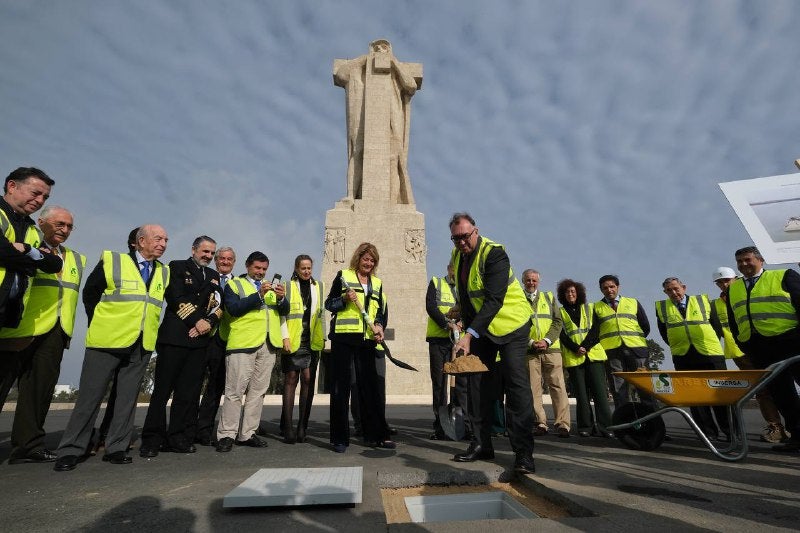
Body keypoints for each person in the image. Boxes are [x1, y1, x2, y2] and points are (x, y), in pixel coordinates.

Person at [54, 224, 170, 471]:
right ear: (140, 241)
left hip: (141, 344)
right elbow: (90, 293)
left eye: (166, 240)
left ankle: (116, 447)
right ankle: (72, 449)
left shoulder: (163, 271)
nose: (163, 243)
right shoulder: (113, 260)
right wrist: (102, 322)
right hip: (106, 340)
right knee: (90, 397)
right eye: (158, 238)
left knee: (127, 400)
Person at [448, 213, 535, 474]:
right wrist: (461, 315)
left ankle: (523, 454)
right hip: (483, 330)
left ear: (476, 231)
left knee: (516, 385)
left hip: (512, 326)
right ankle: (481, 444)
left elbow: (494, 300)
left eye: (465, 236)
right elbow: (466, 294)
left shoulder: (495, 254)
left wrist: (469, 334)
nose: (461, 242)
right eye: (456, 238)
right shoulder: (458, 256)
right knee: (478, 386)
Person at [0, 206, 84, 463]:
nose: (64, 230)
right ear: (41, 222)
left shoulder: (77, 259)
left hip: (57, 330)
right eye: (59, 224)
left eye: (69, 226)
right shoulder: (23, 245)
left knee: (40, 390)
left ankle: (29, 445)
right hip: (21, 324)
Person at [139, 236, 223, 457]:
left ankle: (177, 438)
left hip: (199, 341)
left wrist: (209, 322)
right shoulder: (176, 267)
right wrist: (197, 320)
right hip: (175, 337)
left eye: (211, 253)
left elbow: (219, 304)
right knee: (162, 391)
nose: (208, 256)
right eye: (205, 251)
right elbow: (175, 297)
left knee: (187, 394)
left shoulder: (214, 276)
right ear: (194, 249)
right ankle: (151, 439)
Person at [726, 246, 800, 452]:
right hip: (759, 347)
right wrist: (743, 343)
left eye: (747, 260)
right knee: (781, 393)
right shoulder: (734, 288)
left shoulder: (784, 275)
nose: (743, 264)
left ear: (761, 260)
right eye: (739, 261)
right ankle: (797, 435)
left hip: (791, 341)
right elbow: (734, 319)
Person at [215, 251, 287, 452]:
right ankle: (227, 434)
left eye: (264, 269)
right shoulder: (234, 285)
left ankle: (247, 433)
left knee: (258, 392)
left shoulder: (271, 288)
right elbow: (234, 309)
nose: (261, 272)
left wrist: (281, 299)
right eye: (257, 268)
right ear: (247, 266)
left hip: (268, 344)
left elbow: (284, 311)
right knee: (234, 391)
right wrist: (258, 296)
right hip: (242, 344)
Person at [325, 242, 393, 453]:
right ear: (358, 259)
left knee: (370, 389)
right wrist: (344, 298)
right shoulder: (343, 276)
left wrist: (380, 326)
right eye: (366, 259)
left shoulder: (378, 283)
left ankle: (375, 435)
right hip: (344, 338)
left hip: (367, 341)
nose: (369, 263)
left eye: (373, 261)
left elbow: (380, 311)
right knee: (340, 388)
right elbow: (329, 304)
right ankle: (339, 438)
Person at [711, 266, 788, 443]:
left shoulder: (747, 294)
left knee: (782, 385)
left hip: (763, 346)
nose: (723, 284)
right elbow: (717, 330)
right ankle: (775, 427)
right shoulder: (714, 305)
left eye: (726, 280)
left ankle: (793, 425)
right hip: (741, 354)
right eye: (719, 282)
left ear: (735, 279)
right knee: (761, 390)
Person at [656, 277, 730, 441]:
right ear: (665, 292)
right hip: (683, 356)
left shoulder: (703, 301)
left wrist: (707, 344)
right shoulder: (662, 307)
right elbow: (664, 332)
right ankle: (707, 433)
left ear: (683, 287)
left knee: (720, 394)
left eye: (676, 288)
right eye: (669, 290)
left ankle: (731, 432)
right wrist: (680, 344)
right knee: (695, 397)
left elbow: (716, 326)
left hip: (710, 354)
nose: (674, 292)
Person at [0, 167, 62, 329]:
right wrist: (33, 263)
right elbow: (3, 252)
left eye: (45, 197)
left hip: (7, 313)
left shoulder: (32, 230)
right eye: (35, 193)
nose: (41, 201)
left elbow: (55, 264)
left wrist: (28, 250)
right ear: (12, 186)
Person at [556, 279, 613, 438]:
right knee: (581, 395)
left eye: (573, 291)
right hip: (574, 357)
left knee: (600, 393)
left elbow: (596, 329)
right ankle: (586, 426)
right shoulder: (560, 312)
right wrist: (575, 348)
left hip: (593, 355)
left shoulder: (590, 308)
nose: (570, 294)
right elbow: (562, 335)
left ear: (579, 293)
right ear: (563, 295)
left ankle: (607, 427)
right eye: (567, 292)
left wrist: (585, 346)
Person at [278, 255, 325, 444]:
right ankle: (288, 427)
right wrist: (284, 337)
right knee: (291, 379)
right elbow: (280, 313)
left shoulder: (319, 286)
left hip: (311, 340)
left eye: (309, 268)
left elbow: (320, 314)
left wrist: (323, 337)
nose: (306, 271)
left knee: (308, 379)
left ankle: (302, 426)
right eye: (303, 268)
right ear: (296, 269)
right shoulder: (287, 286)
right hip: (293, 338)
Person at [195, 246, 236, 446]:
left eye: (229, 259)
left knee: (215, 388)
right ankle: (186, 428)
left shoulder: (238, 284)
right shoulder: (206, 277)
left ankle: (204, 431)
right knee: (193, 385)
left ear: (234, 262)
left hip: (223, 339)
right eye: (221, 258)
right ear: (216, 260)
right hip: (201, 337)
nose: (225, 262)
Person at [522, 269, 570, 438]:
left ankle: (563, 424)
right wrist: (530, 342)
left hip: (551, 349)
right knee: (533, 388)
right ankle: (540, 423)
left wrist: (547, 340)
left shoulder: (549, 297)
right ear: (523, 281)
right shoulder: (518, 299)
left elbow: (558, 321)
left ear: (538, 282)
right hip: (530, 350)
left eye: (534, 280)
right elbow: (515, 324)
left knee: (557, 386)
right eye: (528, 280)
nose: (531, 283)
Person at [425, 262, 471, 440]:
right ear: (449, 269)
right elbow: (431, 307)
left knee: (461, 384)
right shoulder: (436, 283)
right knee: (439, 382)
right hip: (439, 339)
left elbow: (471, 309)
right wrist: (448, 324)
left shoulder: (465, 288)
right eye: (453, 270)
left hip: (460, 342)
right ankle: (440, 427)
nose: (455, 273)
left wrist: (462, 324)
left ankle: (463, 426)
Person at [594, 274, 654, 408]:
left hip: (637, 351)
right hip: (612, 352)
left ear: (618, 287)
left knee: (645, 387)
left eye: (612, 287)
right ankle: (624, 423)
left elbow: (645, 326)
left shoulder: (633, 302)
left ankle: (652, 421)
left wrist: (634, 340)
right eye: (605, 288)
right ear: (601, 290)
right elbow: (595, 331)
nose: (609, 290)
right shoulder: (596, 307)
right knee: (618, 389)